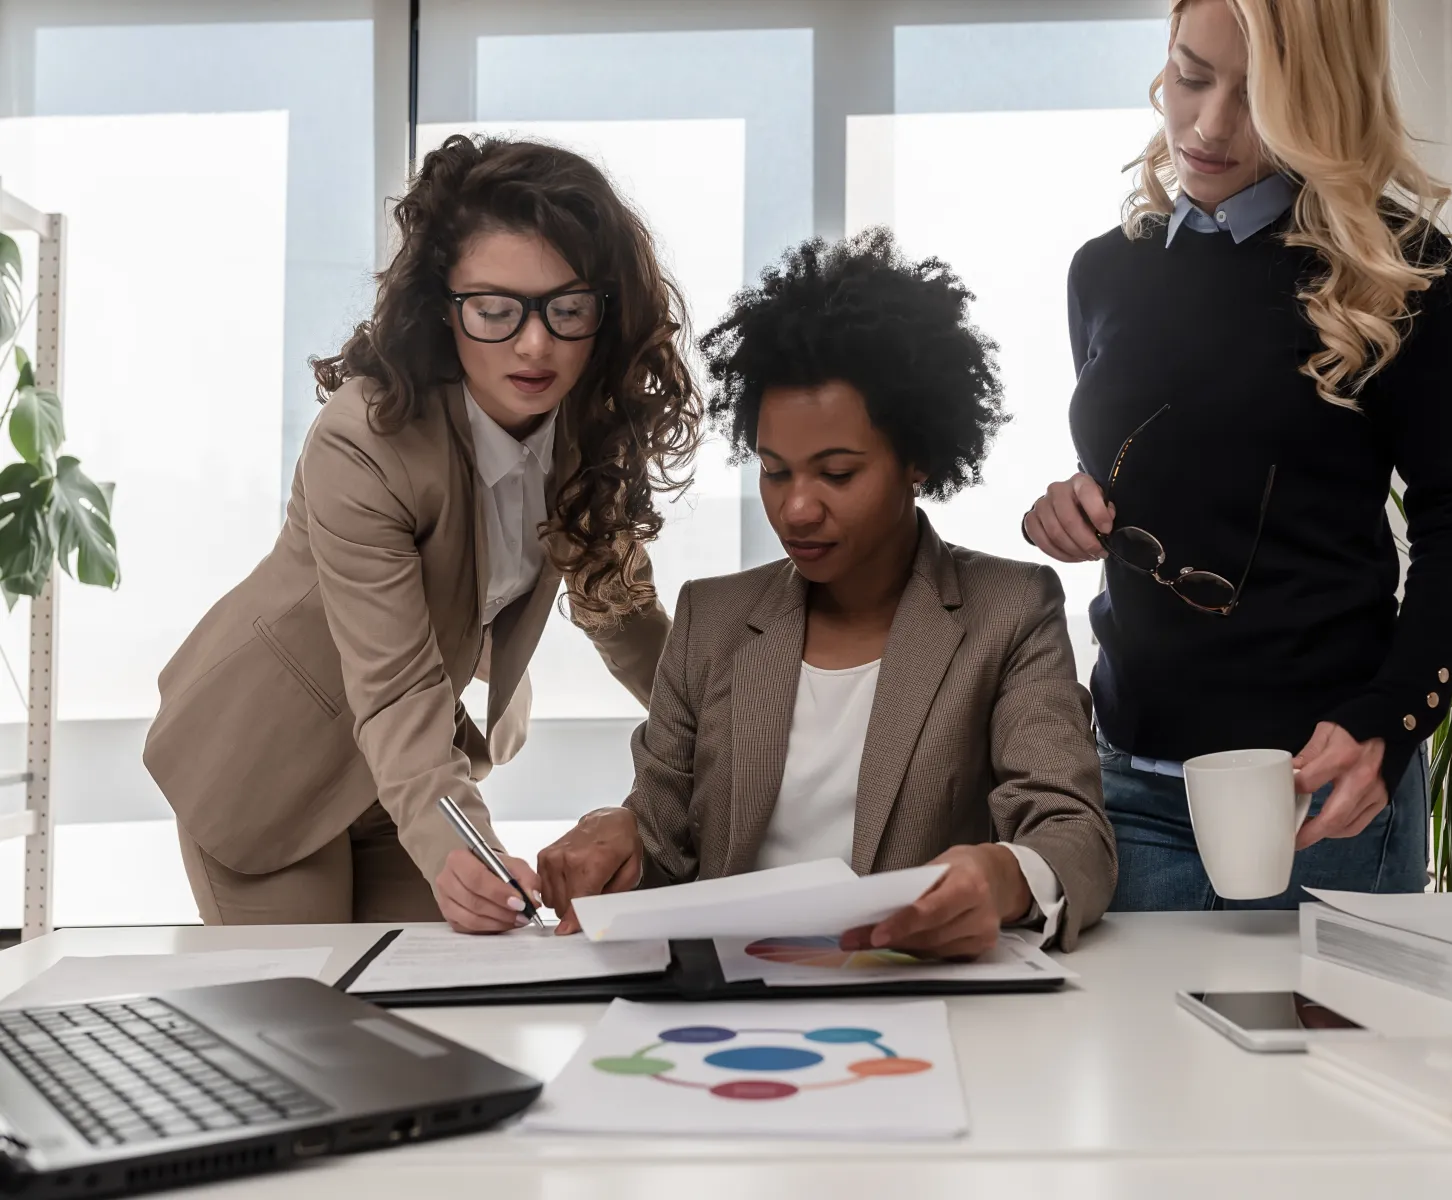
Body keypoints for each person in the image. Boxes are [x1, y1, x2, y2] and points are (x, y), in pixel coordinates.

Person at [144, 135, 700, 930]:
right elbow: (398, 688)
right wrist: (456, 850)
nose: (535, 343)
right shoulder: (363, 439)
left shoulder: (580, 429)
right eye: (495, 310)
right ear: (443, 308)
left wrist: (734, 735)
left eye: (566, 307)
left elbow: (623, 615)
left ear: (606, 310)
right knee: (312, 1035)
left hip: (399, 779)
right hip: (266, 764)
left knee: (441, 1008)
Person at [1023, 0, 1452, 911]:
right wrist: (1065, 506)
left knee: (1324, 1059)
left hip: (1321, 800)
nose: (1206, 125)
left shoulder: (1396, 271)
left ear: (1319, 105)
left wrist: (1389, 724)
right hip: (1129, 789)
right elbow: (1166, 460)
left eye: (1256, 98)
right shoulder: (1103, 271)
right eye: (1190, 75)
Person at [533, 230, 1116, 955]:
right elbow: (661, 841)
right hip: (730, 1011)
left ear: (919, 461)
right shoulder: (710, 620)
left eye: (837, 473)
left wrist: (1005, 876)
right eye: (775, 471)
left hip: (916, 1006)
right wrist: (617, 839)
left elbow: (1073, 833)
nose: (798, 508)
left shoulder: (1010, 609)